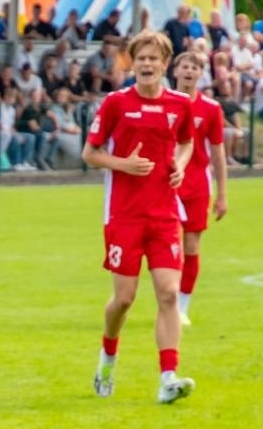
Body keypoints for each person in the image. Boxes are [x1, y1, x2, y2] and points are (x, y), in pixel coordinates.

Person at [82, 30, 196, 405]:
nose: (147, 64)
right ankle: (108, 356)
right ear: (133, 62)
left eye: (154, 58)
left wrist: (178, 166)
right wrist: (124, 165)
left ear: (166, 64)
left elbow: (185, 141)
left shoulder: (180, 104)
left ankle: (168, 377)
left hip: (164, 214)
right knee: (125, 299)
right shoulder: (116, 103)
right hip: (124, 216)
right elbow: (91, 152)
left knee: (167, 293)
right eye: (141, 58)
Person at [170, 52, 227, 329]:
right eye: (185, 66)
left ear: (200, 74)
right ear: (175, 71)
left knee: (191, 246)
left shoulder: (211, 109)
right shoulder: (163, 103)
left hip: (196, 186)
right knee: (167, 247)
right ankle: (167, 301)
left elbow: (218, 154)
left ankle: (181, 307)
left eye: (195, 67)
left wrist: (223, 194)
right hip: (166, 184)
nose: (189, 71)